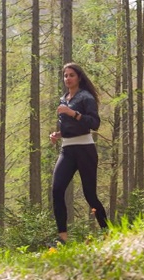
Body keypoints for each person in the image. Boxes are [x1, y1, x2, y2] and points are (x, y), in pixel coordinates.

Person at [49, 63, 108, 246]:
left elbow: (94, 123)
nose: (68, 78)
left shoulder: (86, 97)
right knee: (57, 190)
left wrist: (72, 113)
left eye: (71, 75)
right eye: (65, 75)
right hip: (67, 150)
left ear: (79, 77)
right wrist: (58, 135)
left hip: (85, 150)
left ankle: (107, 232)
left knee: (89, 194)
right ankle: (62, 238)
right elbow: (70, 126)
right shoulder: (63, 98)